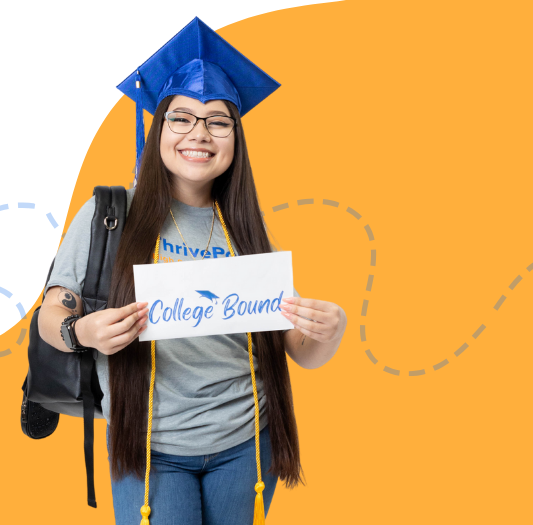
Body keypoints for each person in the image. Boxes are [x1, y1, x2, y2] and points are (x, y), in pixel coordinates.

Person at [37, 17, 347, 525]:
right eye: (181, 118)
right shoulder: (109, 215)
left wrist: (328, 330)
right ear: (157, 129)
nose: (198, 134)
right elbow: (52, 313)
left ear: (234, 138)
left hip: (247, 441)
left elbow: (299, 351)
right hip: (147, 442)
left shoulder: (246, 227)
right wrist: (83, 330)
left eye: (218, 121)